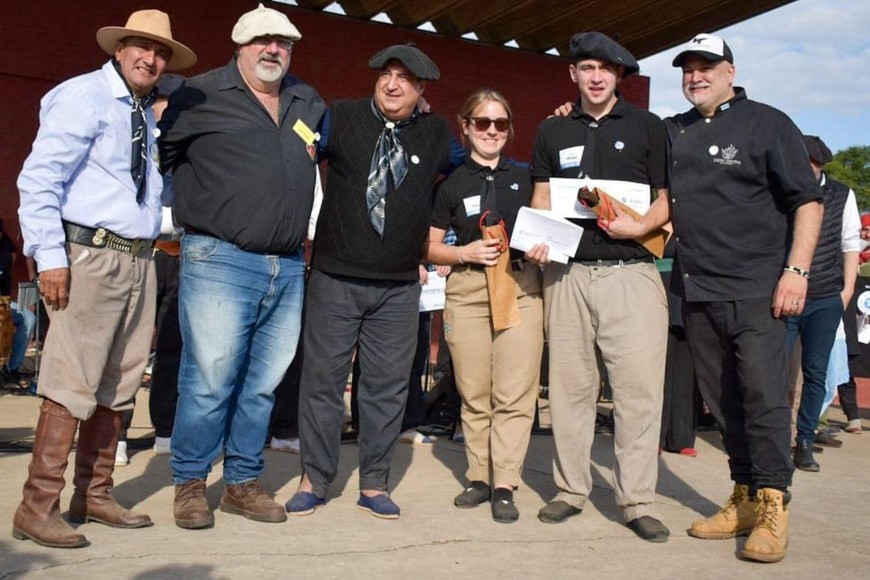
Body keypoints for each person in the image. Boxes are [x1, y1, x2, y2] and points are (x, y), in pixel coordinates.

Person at [14, 9, 196, 548]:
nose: (151, 58)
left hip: (141, 258)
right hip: (90, 255)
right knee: (72, 381)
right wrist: (49, 256)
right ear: (119, 49)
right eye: (141, 46)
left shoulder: (144, 113)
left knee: (119, 384)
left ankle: (93, 494)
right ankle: (35, 506)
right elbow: (40, 178)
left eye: (160, 52)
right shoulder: (84, 96)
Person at [159, 3, 326, 529]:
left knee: (261, 385)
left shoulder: (307, 101)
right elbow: (150, 158)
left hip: (287, 265)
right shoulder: (199, 94)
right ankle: (189, 482)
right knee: (209, 378)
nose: (273, 49)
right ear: (240, 46)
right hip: (218, 258)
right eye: (263, 41)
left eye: (283, 42)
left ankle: (242, 483)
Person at [659, 34, 822, 563]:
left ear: (730, 70)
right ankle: (745, 497)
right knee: (724, 400)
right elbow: (660, 202)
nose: (696, 76)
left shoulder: (769, 123)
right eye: (688, 68)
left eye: (707, 66)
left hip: (758, 290)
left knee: (764, 398)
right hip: (697, 289)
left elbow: (808, 201)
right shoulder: (674, 132)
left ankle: (775, 503)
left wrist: (796, 271)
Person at [288, 43, 458, 520]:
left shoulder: (436, 132)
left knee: (384, 388)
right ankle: (313, 479)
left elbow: (482, 162)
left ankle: (375, 483)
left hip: (399, 285)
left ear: (421, 89)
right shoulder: (339, 117)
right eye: (387, 73)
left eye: (406, 78)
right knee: (322, 383)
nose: (393, 84)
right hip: (334, 277)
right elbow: (297, 141)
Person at [528, 32, 670, 542]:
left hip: (630, 274)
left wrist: (639, 228)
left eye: (604, 70)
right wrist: (539, 238)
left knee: (638, 395)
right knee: (570, 392)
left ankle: (636, 500)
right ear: (573, 74)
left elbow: (666, 200)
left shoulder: (649, 127)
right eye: (586, 67)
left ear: (619, 77)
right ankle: (570, 491)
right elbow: (542, 197)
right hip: (566, 276)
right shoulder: (551, 130)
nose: (594, 77)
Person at [425, 88, 544, 523]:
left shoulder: (529, 178)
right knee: (474, 391)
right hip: (469, 291)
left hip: (519, 286)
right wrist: (463, 254)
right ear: (466, 126)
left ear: (509, 129)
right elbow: (430, 246)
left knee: (514, 392)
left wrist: (542, 248)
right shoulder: (450, 184)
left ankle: (505, 483)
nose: (490, 131)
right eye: (482, 123)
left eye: (499, 124)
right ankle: (478, 476)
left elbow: (547, 227)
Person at [788, 135, 859, 471]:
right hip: (785, 294)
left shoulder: (842, 194)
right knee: (774, 368)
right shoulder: (781, 188)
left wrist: (846, 292)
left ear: (820, 165)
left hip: (824, 296)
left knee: (816, 371)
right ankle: (774, 437)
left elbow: (850, 246)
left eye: (811, 164)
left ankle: (804, 439)